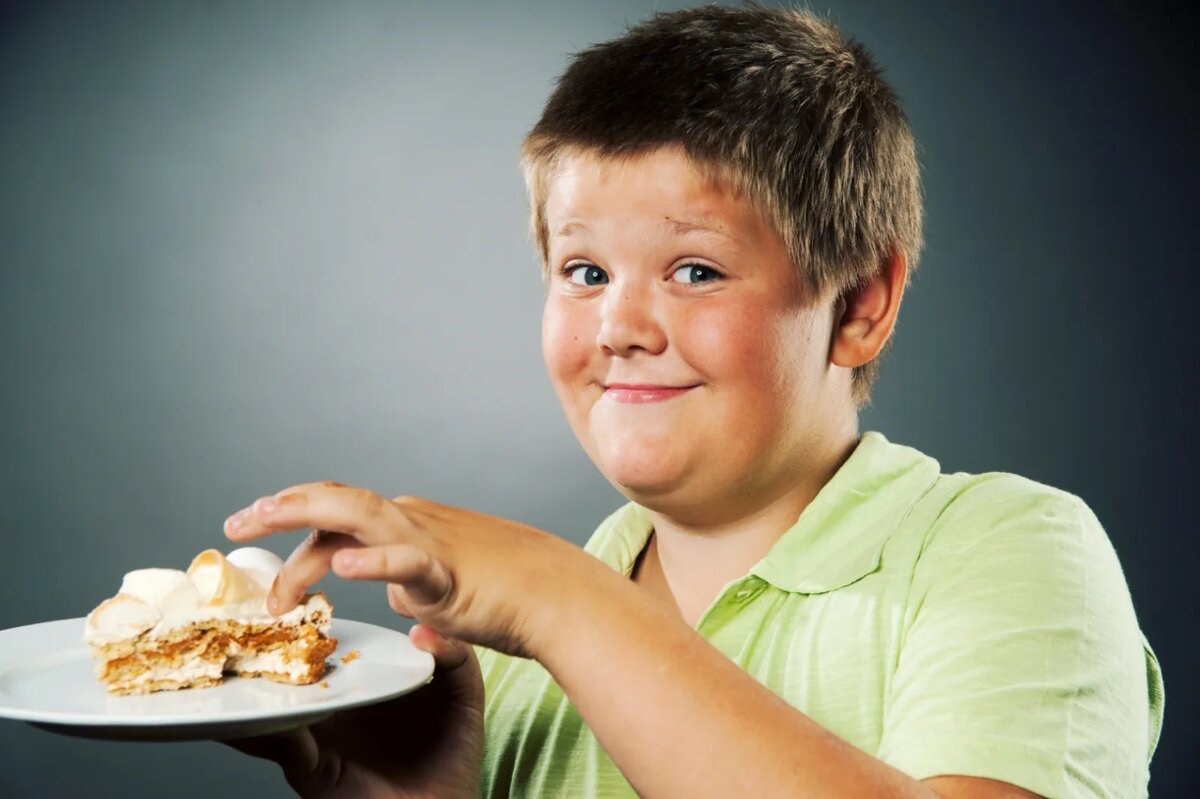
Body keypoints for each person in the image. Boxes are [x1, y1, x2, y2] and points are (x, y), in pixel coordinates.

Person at [221, 6, 1164, 797]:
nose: (620, 326)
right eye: (584, 271)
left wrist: (564, 599)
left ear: (859, 306)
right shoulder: (514, 654)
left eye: (696, 270)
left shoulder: (1010, 551)